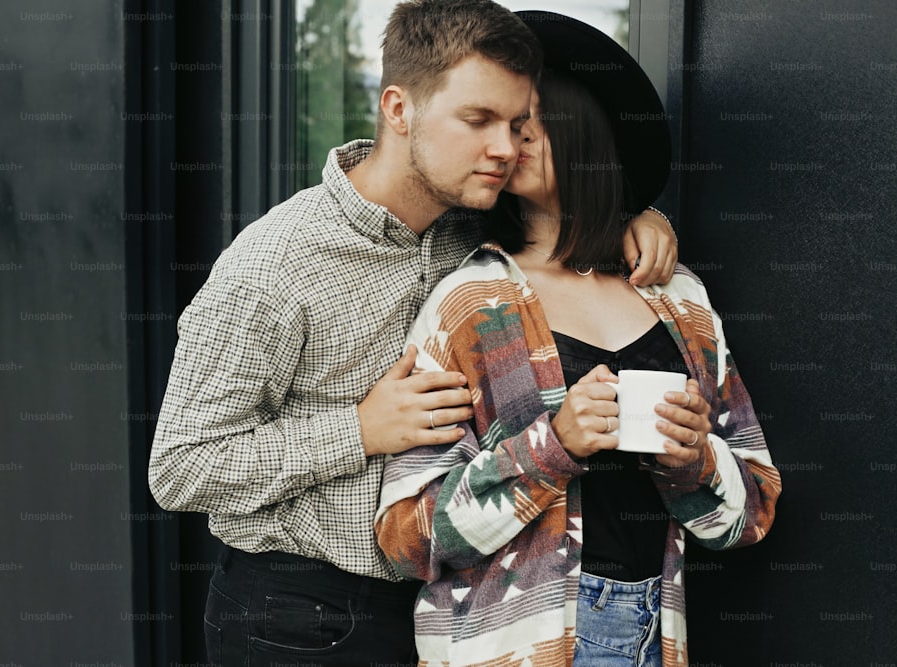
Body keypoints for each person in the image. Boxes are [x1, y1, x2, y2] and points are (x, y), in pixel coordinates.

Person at [147, 2, 678, 666]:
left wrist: (641, 216)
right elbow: (180, 467)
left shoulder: (477, 227)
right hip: (297, 618)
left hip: (451, 606)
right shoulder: (275, 264)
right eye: (478, 120)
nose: (506, 149)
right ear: (399, 109)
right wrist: (358, 430)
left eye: (516, 125)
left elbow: (570, 214)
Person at [374, 10, 782, 667]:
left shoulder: (680, 299)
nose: (510, 143)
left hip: (657, 634)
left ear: (587, 129)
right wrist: (553, 445)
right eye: (502, 125)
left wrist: (692, 463)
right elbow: (406, 535)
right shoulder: (469, 305)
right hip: (517, 646)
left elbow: (754, 509)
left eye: (530, 120)